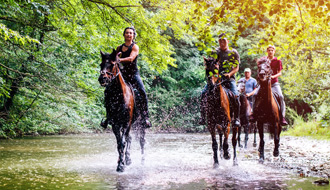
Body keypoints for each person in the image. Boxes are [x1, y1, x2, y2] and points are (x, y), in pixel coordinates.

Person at [199, 33, 241, 127]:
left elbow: (236, 68)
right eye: (220, 41)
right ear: (218, 42)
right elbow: (210, 64)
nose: (222, 43)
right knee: (203, 93)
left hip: (229, 79)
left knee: (236, 95)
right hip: (215, 79)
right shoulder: (215, 52)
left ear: (228, 41)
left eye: (224, 41)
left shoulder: (233, 53)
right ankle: (202, 117)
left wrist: (229, 74)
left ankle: (237, 118)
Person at [116, 27, 152, 128]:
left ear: (133, 35)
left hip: (133, 74)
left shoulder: (135, 47)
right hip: (122, 75)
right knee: (109, 90)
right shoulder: (119, 48)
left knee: (142, 91)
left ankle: (145, 117)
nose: (128, 35)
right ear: (124, 35)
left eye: (130, 33)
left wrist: (119, 60)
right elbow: (114, 59)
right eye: (127, 33)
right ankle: (108, 117)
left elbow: (131, 58)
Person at [261, 45, 288, 125]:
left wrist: (273, 76)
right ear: (267, 51)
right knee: (256, 94)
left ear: (274, 51)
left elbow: (280, 73)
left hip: (274, 83)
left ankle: (282, 117)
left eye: (272, 50)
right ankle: (253, 114)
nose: (270, 52)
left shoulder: (278, 60)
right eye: (269, 50)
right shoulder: (263, 60)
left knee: (281, 96)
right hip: (264, 83)